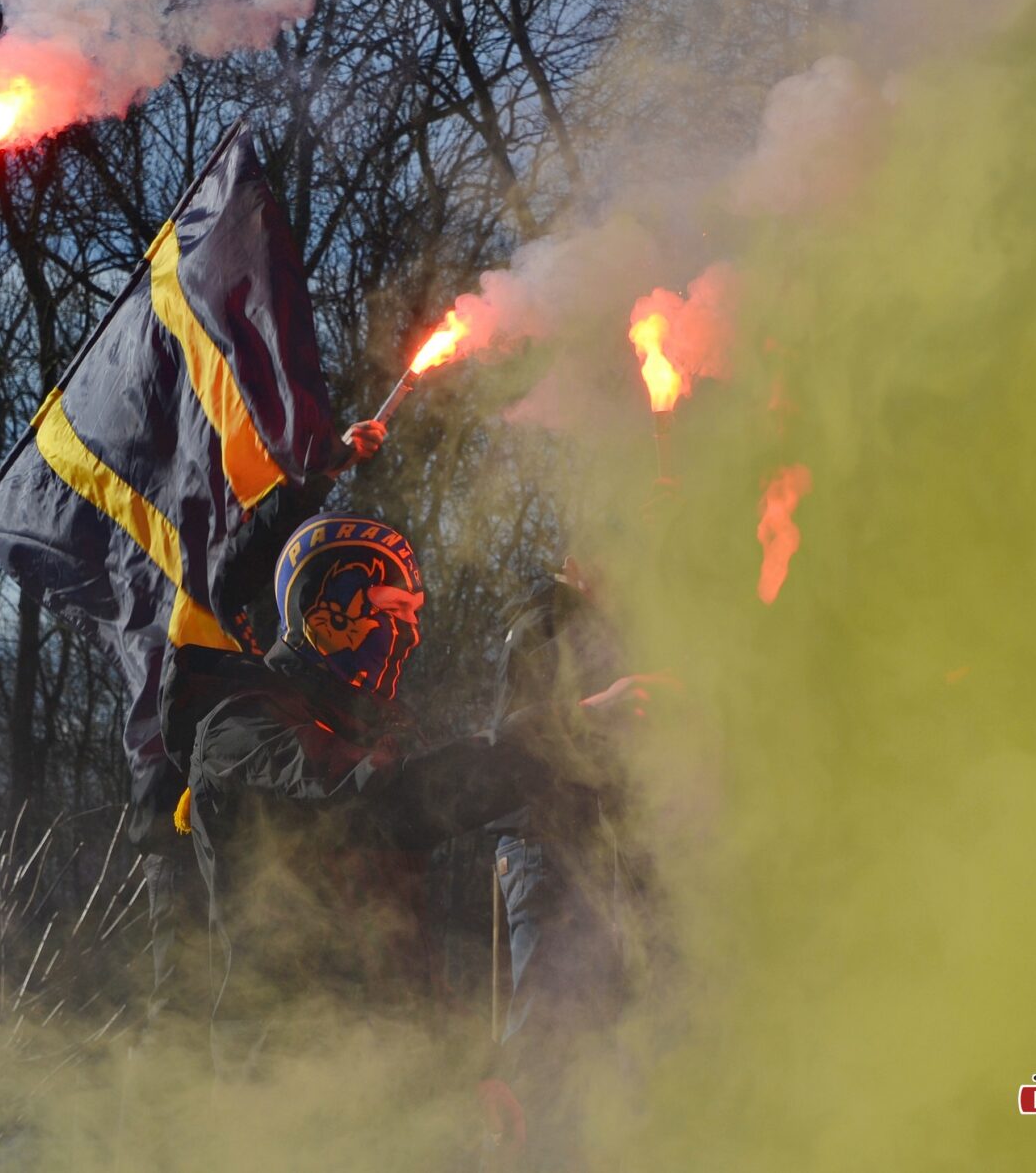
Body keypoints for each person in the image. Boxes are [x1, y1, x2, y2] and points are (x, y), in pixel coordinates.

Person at [160, 515, 655, 1095]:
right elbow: (385, 805)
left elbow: (398, 956)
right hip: (288, 1085)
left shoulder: (355, 741)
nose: (412, 635)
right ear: (320, 608)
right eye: (394, 610)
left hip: (383, 1086)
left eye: (415, 615)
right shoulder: (242, 730)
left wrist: (473, 1080)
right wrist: (569, 729)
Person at [133, 419, 387, 1014]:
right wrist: (325, 473)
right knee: (181, 1005)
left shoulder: (231, 622)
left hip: (225, 819)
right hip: (177, 815)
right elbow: (249, 554)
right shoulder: (195, 587)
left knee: (243, 993)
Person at [488, 557, 651, 1172]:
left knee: (588, 1020)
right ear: (580, 562)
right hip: (543, 846)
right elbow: (512, 737)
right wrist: (603, 706)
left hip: (576, 848)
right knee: (547, 1024)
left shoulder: (585, 623)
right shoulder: (545, 620)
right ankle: (519, 1154)